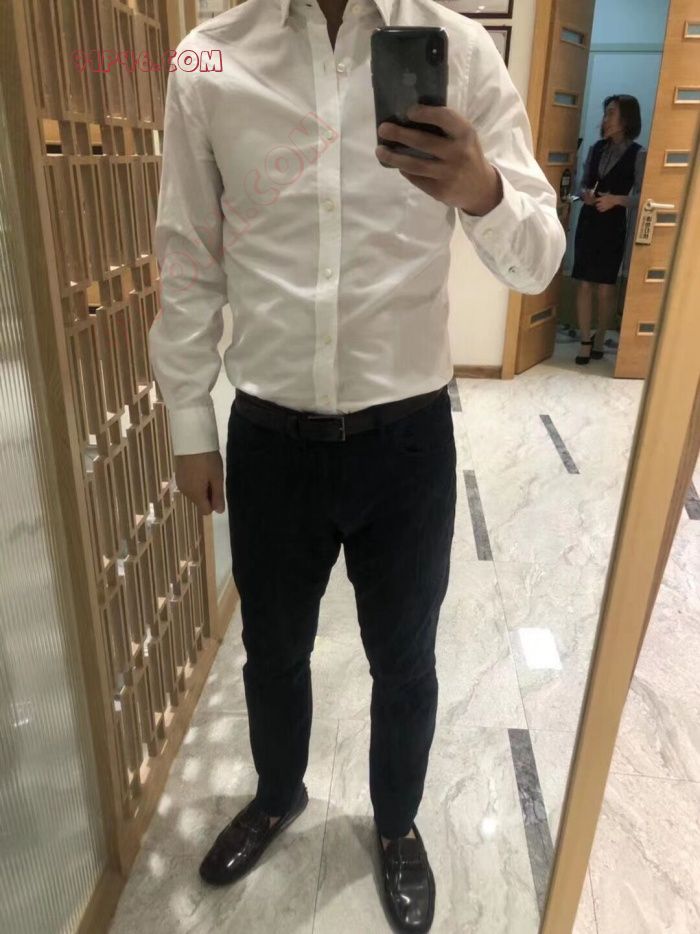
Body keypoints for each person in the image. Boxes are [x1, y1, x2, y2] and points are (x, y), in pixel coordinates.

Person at [149, 0, 565, 929]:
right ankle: (276, 794)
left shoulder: (460, 49)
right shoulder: (205, 60)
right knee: (272, 650)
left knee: (405, 660)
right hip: (268, 439)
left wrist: (482, 190)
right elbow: (187, 250)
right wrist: (188, 420)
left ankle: (398, 824)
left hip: (407, 444)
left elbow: (539, 261)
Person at [572, 94, 646, 365]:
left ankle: (600, 337)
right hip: (589, 220)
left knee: (605, 287)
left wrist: (616, 200)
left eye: (611, 113)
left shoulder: (639, 154)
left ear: (626, 119)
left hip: (613, 224)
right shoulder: (595, 149)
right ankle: (585, 340)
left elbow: (643, 196)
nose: (605, 119)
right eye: (605, 114)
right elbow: (582, 184)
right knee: (584, 283)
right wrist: (585, 194)